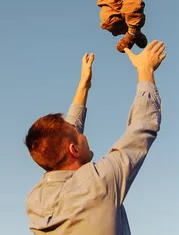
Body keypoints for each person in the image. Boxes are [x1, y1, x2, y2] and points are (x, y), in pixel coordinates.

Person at [24, 40, 167, 234]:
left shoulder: (35, 201)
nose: (82, 133)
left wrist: (84, 86)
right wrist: (145, 70)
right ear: (73, 150)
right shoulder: (99, 184)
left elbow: (65, 136)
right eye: (78, 134)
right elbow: (142, 127)